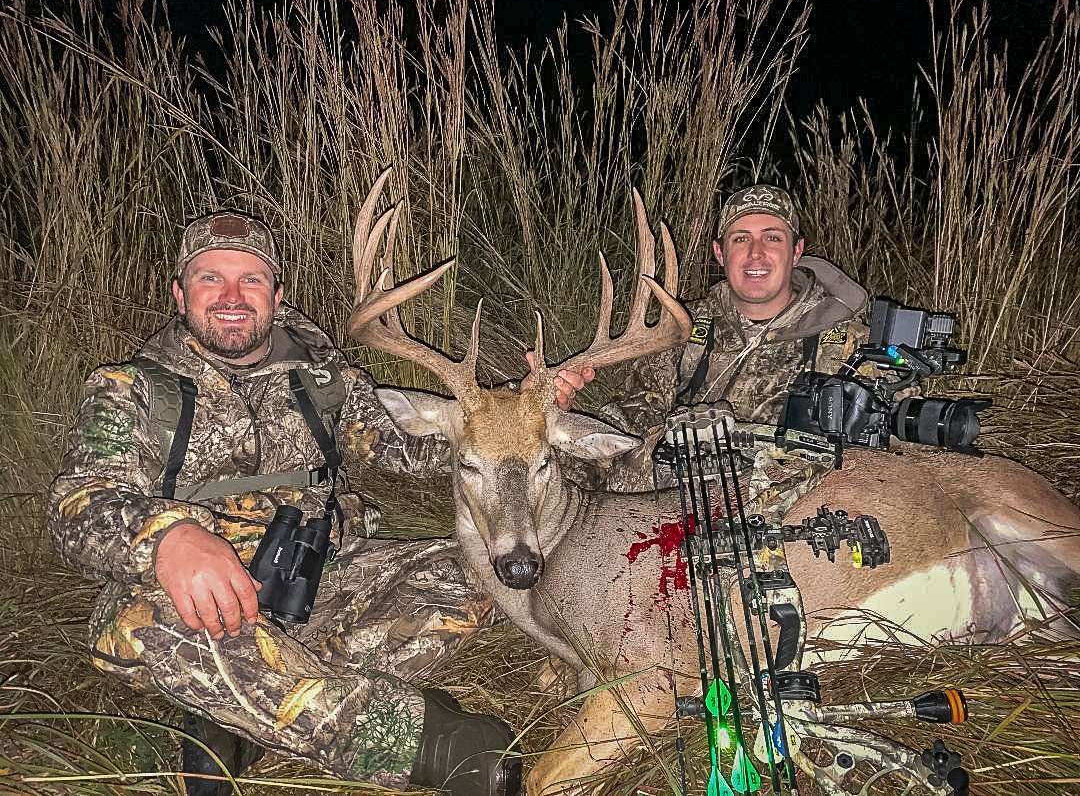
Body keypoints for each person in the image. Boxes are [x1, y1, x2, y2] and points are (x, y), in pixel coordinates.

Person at [46, 211, 589, 796]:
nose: (232, 297)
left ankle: (248, 704)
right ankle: (442, 748)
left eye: (250, 280)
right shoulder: (129, 389)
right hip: (196, 597)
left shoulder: (322, 377)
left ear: (277, 296)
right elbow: (77, 503)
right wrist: (167, 540)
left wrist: (522, 415)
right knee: (139, 625)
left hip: (317, 575)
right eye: (210, 279)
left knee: (477, 573)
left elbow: (422, 452)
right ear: (180, 293)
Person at [602, 184, 872, 515]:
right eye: (741, 238)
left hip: (794, 529)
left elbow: (870, 459)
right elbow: (633, 412)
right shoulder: (682, 329)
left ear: (797, 251)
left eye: (772, 238)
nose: (756, 253)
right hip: (669, 516)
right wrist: (557, 410)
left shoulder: (848, 343)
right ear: (719, 252)